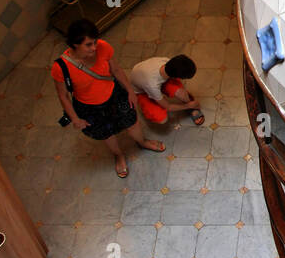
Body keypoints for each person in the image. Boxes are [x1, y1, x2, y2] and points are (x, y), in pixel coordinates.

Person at [50, 17, 166, 178]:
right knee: (107, 134)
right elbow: (63, 96)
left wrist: (130, 91)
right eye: (88, 45)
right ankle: (118, 155)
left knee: (132, 122)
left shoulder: (103, 48)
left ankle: (142, 142)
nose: (94, 47)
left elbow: (116, 71)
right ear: (75, 44)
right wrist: (75, 118)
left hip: (115, 95)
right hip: (89, 107)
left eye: (95, 42)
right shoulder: (60, 67)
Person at [130, 54, 204, 126]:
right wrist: (187, 106)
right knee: (162, 119)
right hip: (143, 91)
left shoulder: (167, 62)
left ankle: (190, 105)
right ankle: (190, 106)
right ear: (177, 77)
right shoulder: (152, 85)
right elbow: (168, 106)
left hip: (148, 77)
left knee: (181, 93)